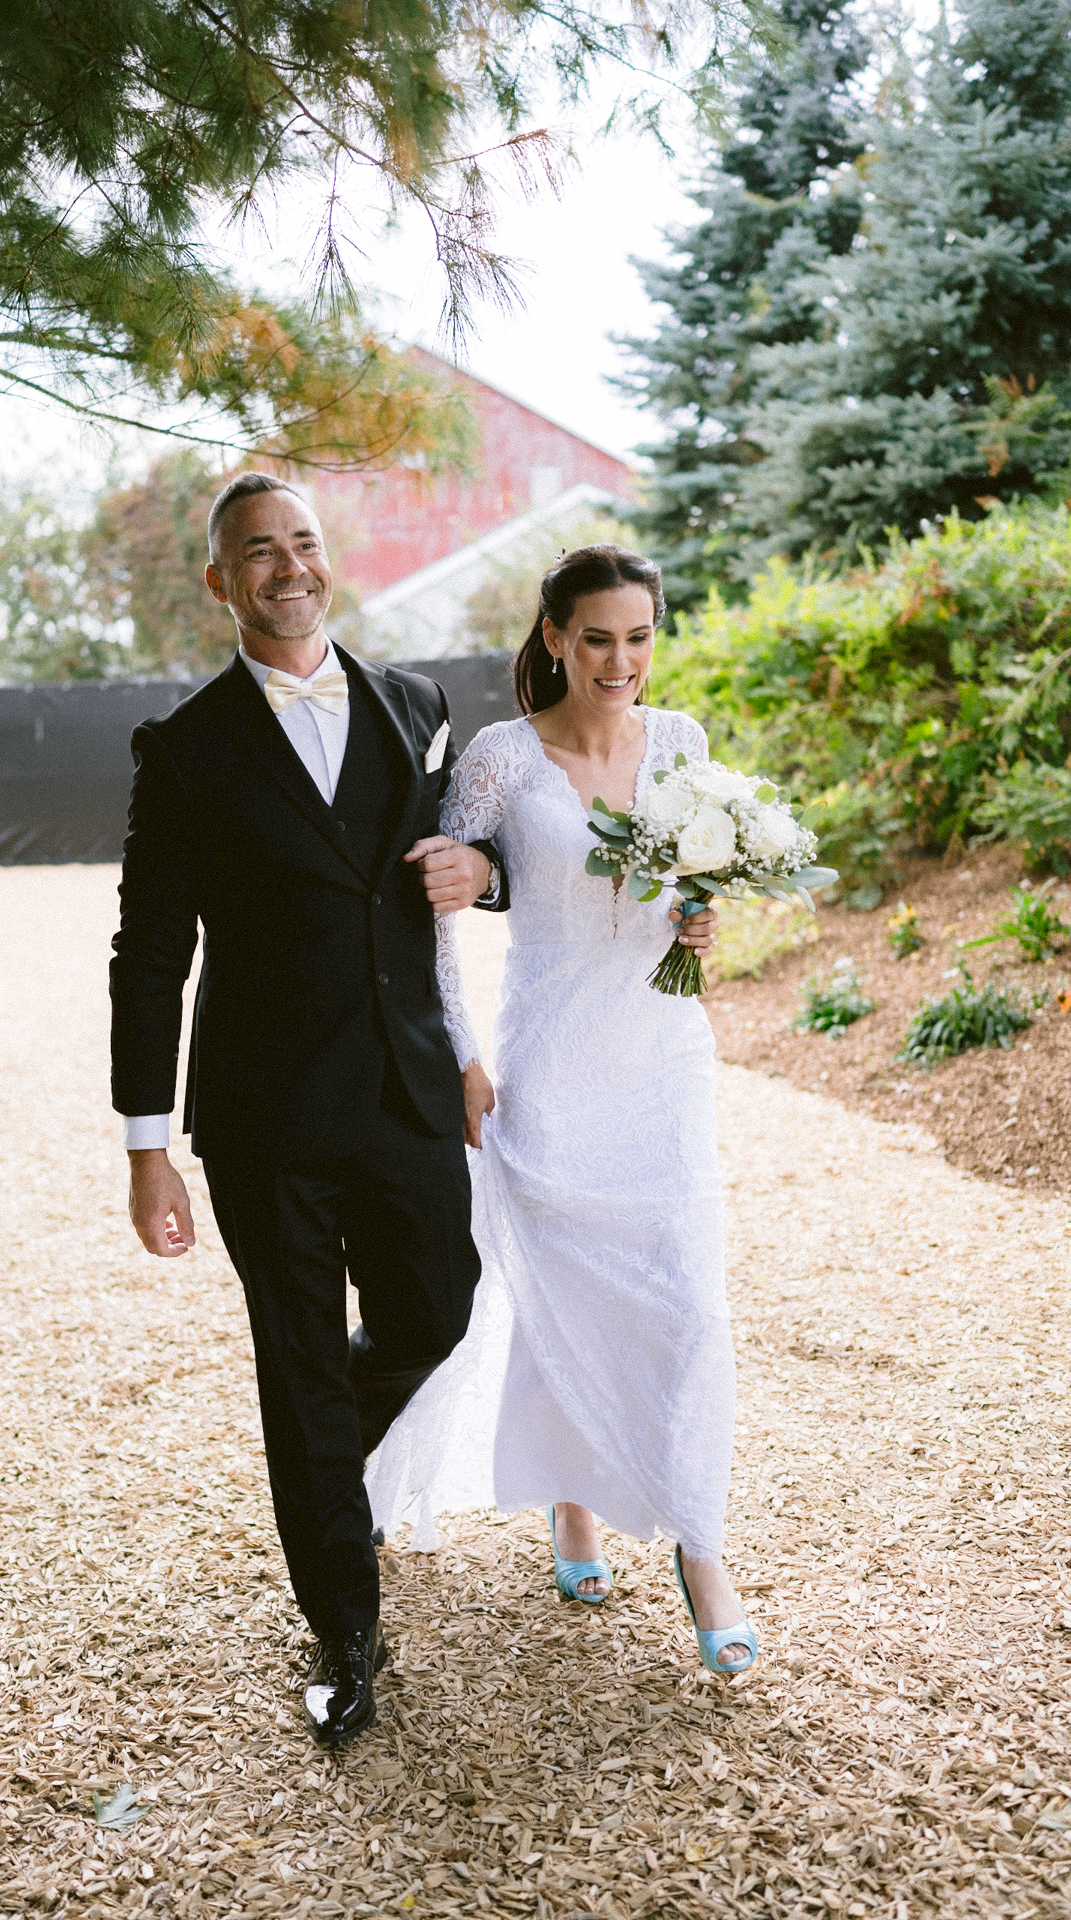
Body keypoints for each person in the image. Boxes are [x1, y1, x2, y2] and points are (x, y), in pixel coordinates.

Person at [110, 473, 511, 1745]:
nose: (287, 567)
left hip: (404, 1093)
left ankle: (324, 1452)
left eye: (303, 544)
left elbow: (466, 866)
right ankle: (345, 1624)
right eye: (256, 553)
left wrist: (483, 873)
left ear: (324, 561)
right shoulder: (183, 750)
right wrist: (145, 1146)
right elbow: (148, 954)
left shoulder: (414, 705)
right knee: (296, 1365)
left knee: (439, 1313)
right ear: (220, 581)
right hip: (265, 1118)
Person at [365, 544, 757, 1675]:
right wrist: (459, 1053)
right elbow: (442, 895)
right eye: (596, 638)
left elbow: (692, 884)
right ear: (552, 637)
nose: (619, 661)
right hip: (546, 1058)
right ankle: (572, 1503)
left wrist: (699, 925)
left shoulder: (679, 743)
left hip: (662, 1057)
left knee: (686, 1302)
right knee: (552, 1291)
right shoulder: (500, 757)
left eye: (637, 637)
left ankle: (699, 1543)